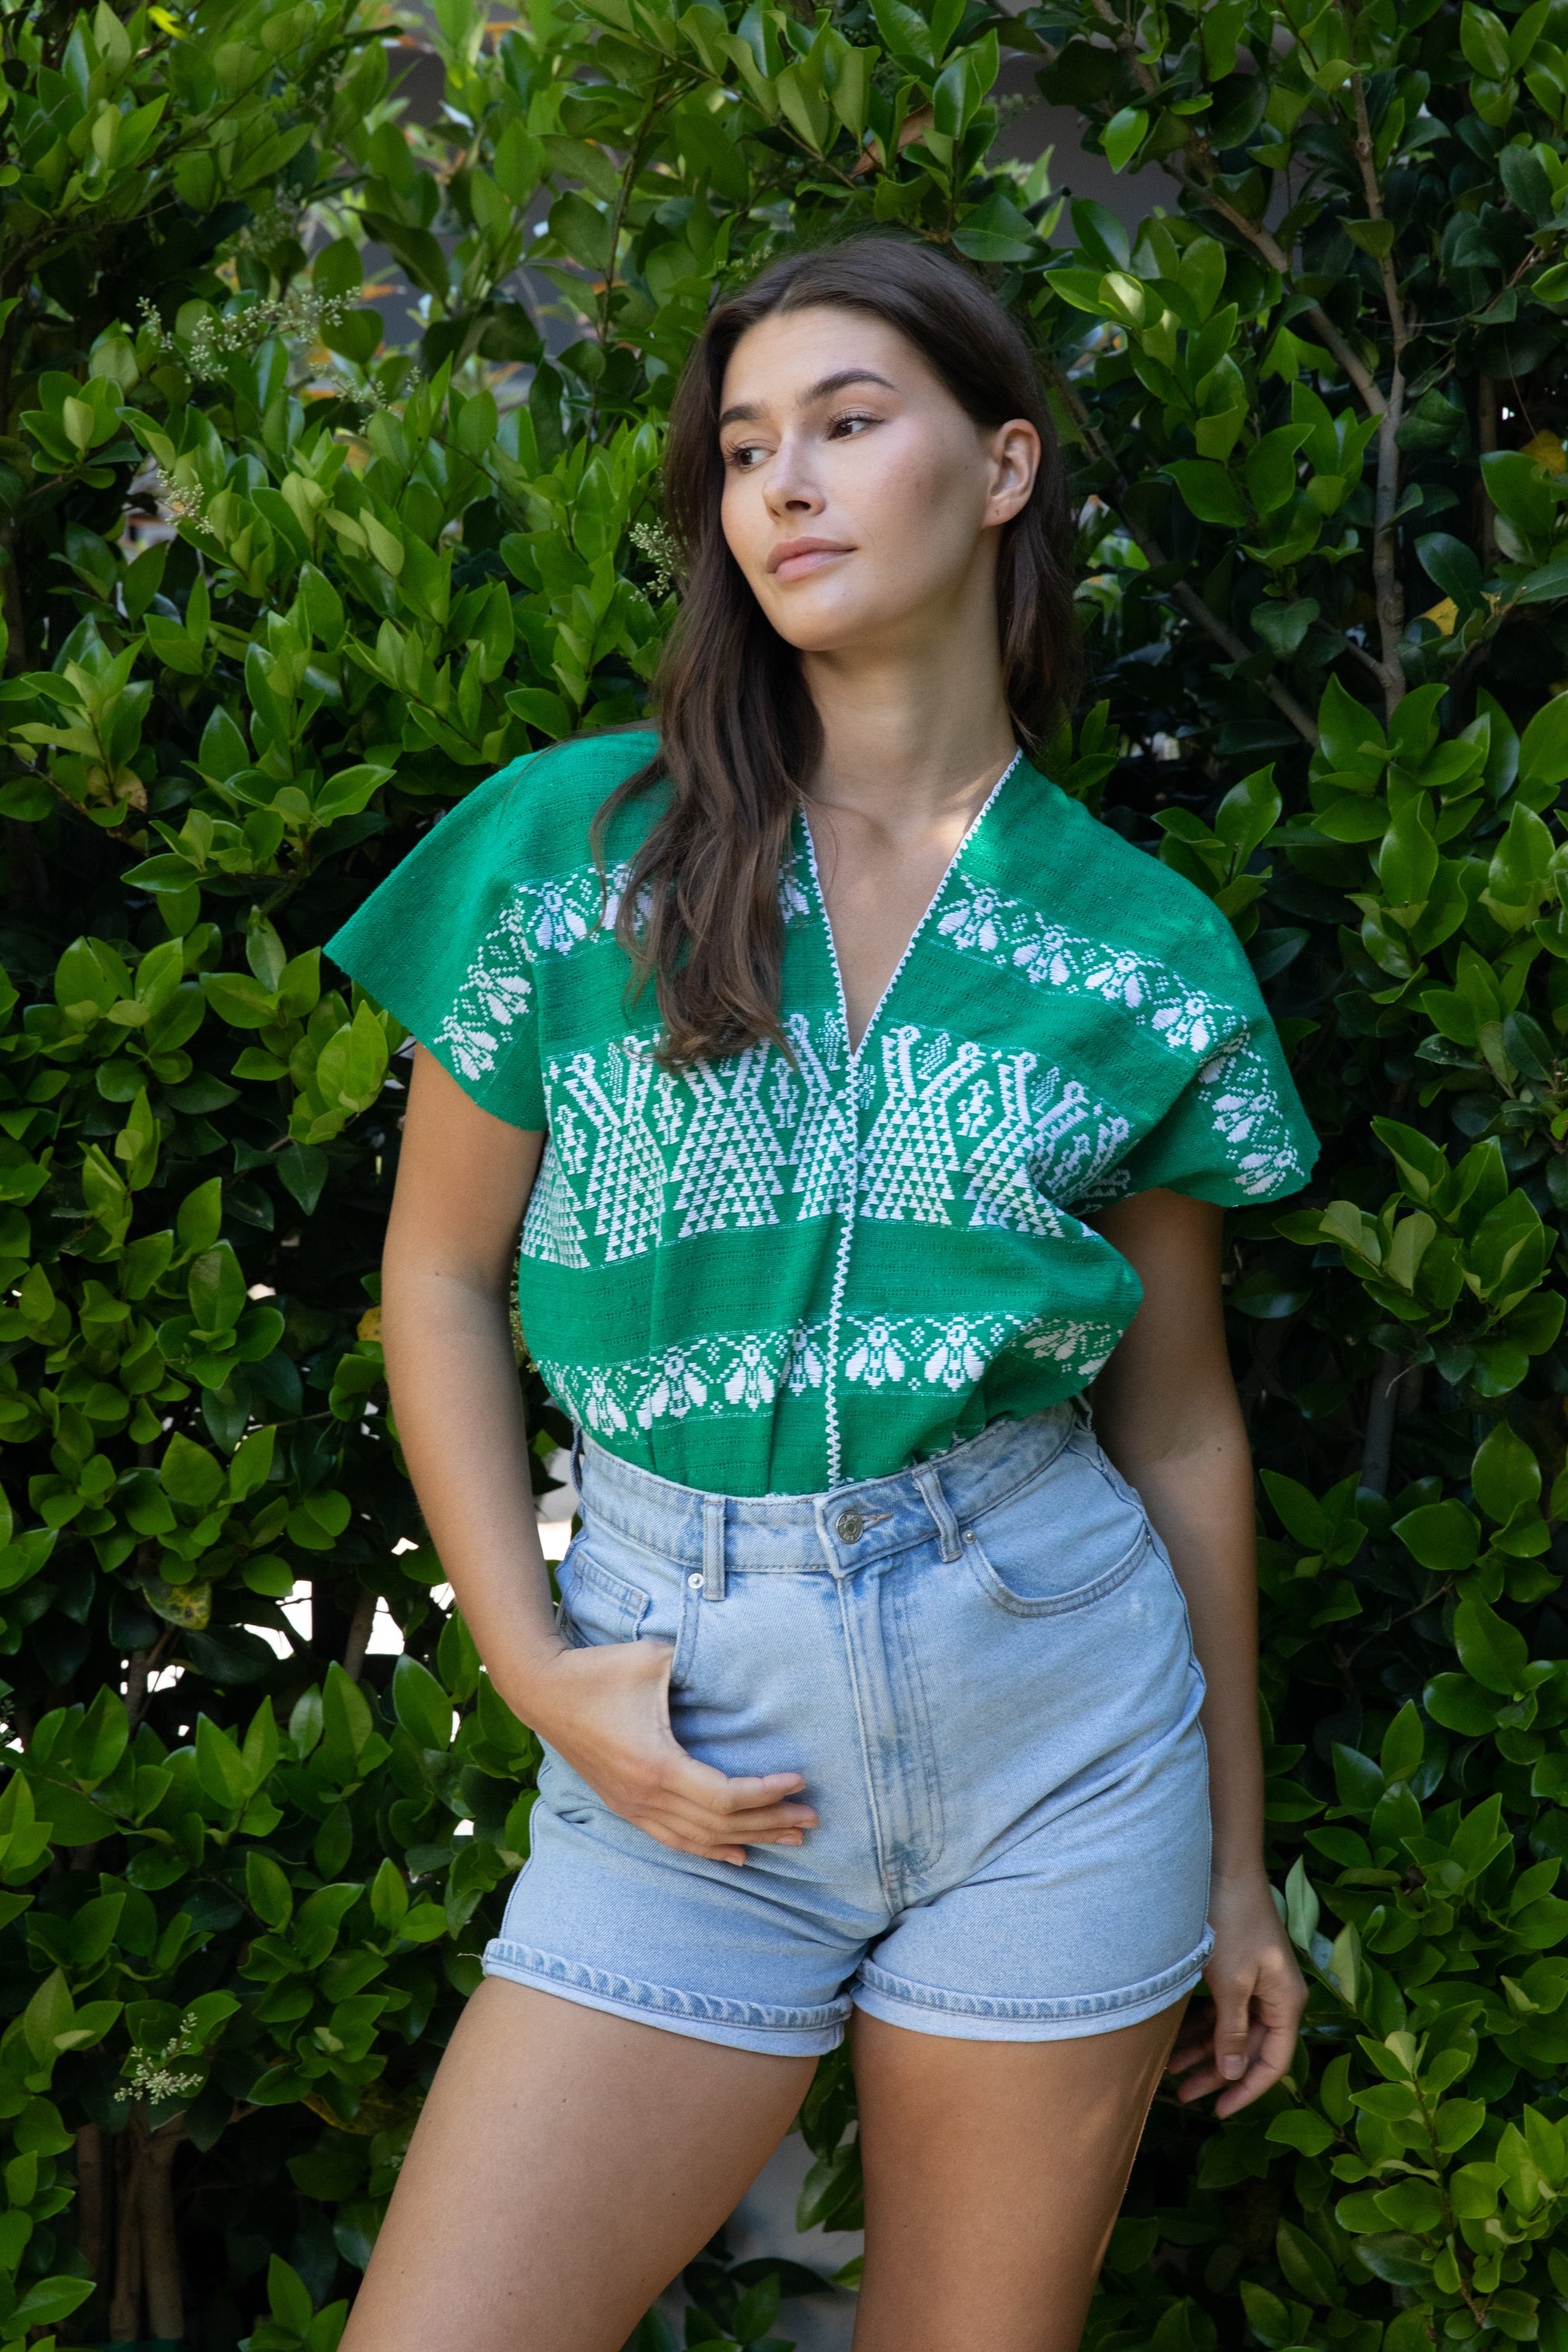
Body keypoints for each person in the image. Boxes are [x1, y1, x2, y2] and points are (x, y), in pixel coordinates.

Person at [327, 233, 1318, 2352]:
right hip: (679, 1715)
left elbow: (1175, 1420)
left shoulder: (1139, 947)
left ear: (1001, 467)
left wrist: (1238, 1868)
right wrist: (532, 1662)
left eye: (849, 426)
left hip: (1062, 1726)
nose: (781, 483)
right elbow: (433, 1278)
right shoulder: (573, 852)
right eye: (746, 448)